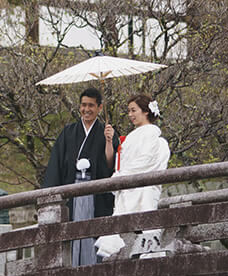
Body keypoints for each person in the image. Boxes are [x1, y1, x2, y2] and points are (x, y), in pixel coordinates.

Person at [41, 87, 119, 265]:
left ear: (100, 108)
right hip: (72, 191)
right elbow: (57, 164)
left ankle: (95, 269)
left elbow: (109, 165)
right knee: (72, 231)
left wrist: (109, 141)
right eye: (83, 105)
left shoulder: (106, 132)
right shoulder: (68, 132)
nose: (87, 109)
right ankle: (74, 269)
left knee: (95, 233)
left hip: (96, 193)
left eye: (91, 105)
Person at [96, 93, 171, 259]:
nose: (130, 115)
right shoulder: (134, 135)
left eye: (133, 110)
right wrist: (110, 142)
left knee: (144, 226)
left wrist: (121, 176)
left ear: (145, 112)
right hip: (128, 185)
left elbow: (144, 161)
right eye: (129, 111)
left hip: (139, 186)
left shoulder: (151, 134)